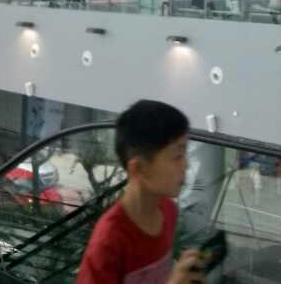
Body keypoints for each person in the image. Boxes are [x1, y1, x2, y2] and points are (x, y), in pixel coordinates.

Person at [77, 100, 204, 284]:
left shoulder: (168, 211)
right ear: (139, 168)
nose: (186, 165)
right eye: (177, 156)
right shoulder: (109, 240)